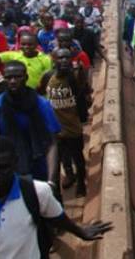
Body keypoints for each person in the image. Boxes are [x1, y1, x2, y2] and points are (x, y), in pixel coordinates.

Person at [0, 135, 113, 259]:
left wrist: (80, 232)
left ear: (15, 162)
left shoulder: (35, 192)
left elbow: (58, 218)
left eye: (2, 167)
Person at [0, 61, 61, 187]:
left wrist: (51, 181)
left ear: (26, 78)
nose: (13, 81)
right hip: (9, 172)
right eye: (9, 78)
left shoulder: (41, 104)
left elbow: (51, 143)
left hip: (40, 168)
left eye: (17, 77)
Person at [38, 48, 87, 196]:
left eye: (67, 58)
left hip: (73, 128)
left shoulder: (74, 77)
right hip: (55, 130)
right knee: (56, 163)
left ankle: (81, 185)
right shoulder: (48, 77)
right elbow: (39, 92)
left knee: (78, 158)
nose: (64, 61)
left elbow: (82, 95)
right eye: (60, 58)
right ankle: (56, 193)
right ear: (54, 60)